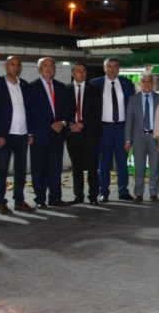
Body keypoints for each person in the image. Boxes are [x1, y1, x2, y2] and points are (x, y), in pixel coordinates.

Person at [0, 55, 33, 214]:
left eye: (18, 65)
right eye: (12, 64)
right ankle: (1, 202)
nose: (15, 67)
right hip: (4, 136)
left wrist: (30, 131)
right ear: (5, 66)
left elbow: (29, 110)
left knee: (21, 170)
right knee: (2, 170)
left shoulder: (25, 85)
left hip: (22, 134)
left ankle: (19, 200)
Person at [27, 57, 70, 208]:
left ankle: (55, 198)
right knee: (39, 168)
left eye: (51, 66)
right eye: (45, 66)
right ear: (39, 69)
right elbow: (32, 111)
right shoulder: (32, 87)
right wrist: (51, 124)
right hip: (40, 135)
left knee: (55, 168)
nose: (49, 68)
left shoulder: (61, 87)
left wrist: (62, 123)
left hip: (58, 135)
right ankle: (40, 199)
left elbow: (68, 108)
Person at [92, 57, 135, 202]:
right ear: (104, 68)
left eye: (115, 66)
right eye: (109, 66)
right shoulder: (95, 84)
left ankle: (123, 191)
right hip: (103, 128)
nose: (112, 69)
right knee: (104, 162)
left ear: (119, 68)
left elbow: (131, 108)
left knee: (122, 161)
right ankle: (103, 191)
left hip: (121, 128)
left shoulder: (127, 84)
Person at [124, 74, 159, 203]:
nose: (146, 84)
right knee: (139, 168)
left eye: (149, 81)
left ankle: (154, 193)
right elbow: (129, 120)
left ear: (152, 83)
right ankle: (138, 193)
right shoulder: (133, 99)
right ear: (140, 83)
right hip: (138, 138)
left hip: (155, 137)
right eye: (143, 81)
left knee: (154, 168)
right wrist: (127, 140)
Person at [66, 62, 102, 204]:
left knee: (92, 167)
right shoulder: (66, 89)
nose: (81, 73)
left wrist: (82, 124)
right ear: (72, 73)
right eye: (78, 70)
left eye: (83, 71)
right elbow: (62, 110)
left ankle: (93, 196)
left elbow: (97, 111)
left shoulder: (94, 90)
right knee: (77, 167)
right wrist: (70, 125)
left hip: (89, 133)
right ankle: (78, 196)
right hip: (72, 134)